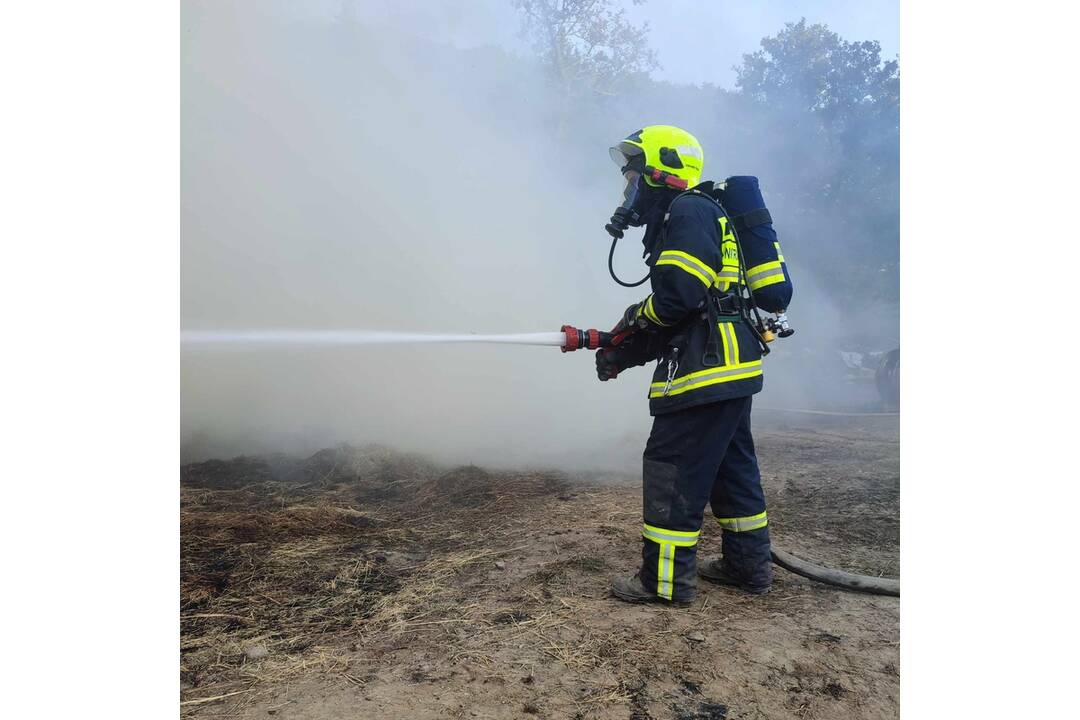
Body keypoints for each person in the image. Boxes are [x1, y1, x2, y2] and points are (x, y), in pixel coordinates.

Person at [597, 125, 793, 603]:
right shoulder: (703, 213)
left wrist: (632, 319)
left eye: (633, 175)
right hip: (730, 367)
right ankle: (748, 567)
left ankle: (664, 584)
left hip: (703, 370)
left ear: (662, 172)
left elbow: (677, 299)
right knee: (732, 470)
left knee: (671, 468)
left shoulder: (687, 211)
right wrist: (624, 351)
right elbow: (690, 307)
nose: (628, 188)